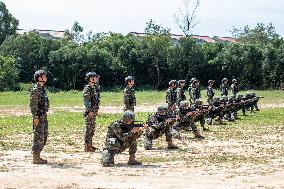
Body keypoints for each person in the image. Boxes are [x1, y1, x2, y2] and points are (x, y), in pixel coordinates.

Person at [30, 70, 49, 164]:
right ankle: (36, 157)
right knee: (38, 136)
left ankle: (38, 155)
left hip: (43, 116)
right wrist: (35, 117)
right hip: (38, 116)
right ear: (39, 77)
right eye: (43, 76)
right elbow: (33, 105)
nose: (45, 77)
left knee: (44, 136)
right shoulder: (36, 89)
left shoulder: (42, 88)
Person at [83, 72, 100, 152]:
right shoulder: (87, 88)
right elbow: (87, 101)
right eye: (94, 77)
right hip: (89, 113)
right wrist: (90, 111)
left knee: (92, 129)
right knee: (88, 129)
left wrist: (96, 110)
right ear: (90, 79)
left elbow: (96, 101)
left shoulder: (94, 88)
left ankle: (90, 145)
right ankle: (87, 146)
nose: (96, 79)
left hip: (93, 112)